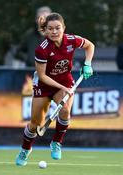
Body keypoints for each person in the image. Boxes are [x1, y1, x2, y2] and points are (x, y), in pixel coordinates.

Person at [15, 12, 95, 166]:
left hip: (64, 81)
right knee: (35, 123)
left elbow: (89, 46)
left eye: (58, 28)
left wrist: (88, 64)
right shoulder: (42, 49)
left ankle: (56, 142)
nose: (54, 32)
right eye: (50, 29)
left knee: (65, 110)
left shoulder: (71, 40)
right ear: (45, 31)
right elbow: (43, 76)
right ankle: (26, 149)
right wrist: (63, 87)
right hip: (44, 85)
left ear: (63, 28)